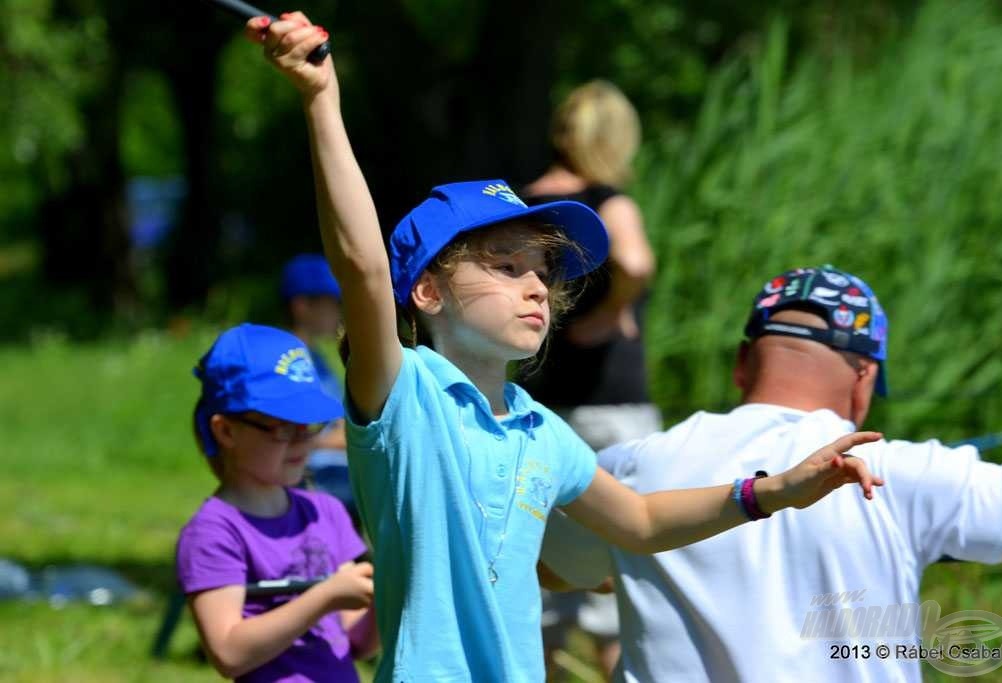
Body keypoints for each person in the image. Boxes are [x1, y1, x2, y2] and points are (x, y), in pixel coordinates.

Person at [243, 13, 885, 680]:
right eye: (504, 264)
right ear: (427, 292)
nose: (536, 288)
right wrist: (321, 99)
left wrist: (774, 490)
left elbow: (637, 519)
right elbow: (364, 268)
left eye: (544, 271)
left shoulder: (538, 429)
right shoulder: (403, 393)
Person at [540, 265, 1002, 683]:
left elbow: (556, 571)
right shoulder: (899, 471)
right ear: (866, 379)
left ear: (742, 363)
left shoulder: (629, 468)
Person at [521, 80, 657, 679]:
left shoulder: (523, 203)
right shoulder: (608, 201)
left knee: (541, 578)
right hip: (612, 406)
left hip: (535, 403)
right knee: (619, 577)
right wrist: (610, 314)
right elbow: (635, 262)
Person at [177, 323, 377, 682]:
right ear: (226, 431)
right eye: (283, 426)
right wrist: (325, 597)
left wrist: (386, 600)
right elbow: (228, 653)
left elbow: (356, 644)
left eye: (309, 425)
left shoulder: (324, 511)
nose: (302, 441)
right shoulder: (214, 532)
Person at [281, 253, 359, 526]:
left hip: (339, 465)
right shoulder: (287, 362)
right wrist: (345, 438)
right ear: (302, 306)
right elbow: (289, 437)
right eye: (329, 305)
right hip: (315, 473)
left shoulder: (319, 358)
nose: (337, 313)